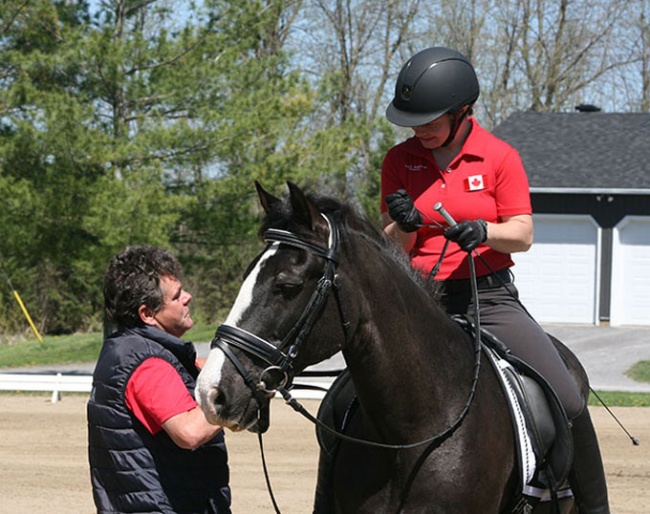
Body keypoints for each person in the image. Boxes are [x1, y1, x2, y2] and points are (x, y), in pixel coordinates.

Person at [381, 46, 609, 513]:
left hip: (488, 297)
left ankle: (594, 507)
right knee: (351, 394)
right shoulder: (399, 159)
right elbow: (390, 248)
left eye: (429, 119)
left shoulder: (499, 157)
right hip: (420, 299)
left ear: (463, 111)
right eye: (412, 121)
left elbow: (522, 235)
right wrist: (402, 224)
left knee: (566, 394)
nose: (418, 129)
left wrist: (485, 230)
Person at [87, 245, 231, 513]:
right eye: (177, 297)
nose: (188, 297)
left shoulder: (127, 349)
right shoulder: (147, 363)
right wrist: (243, 398)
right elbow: (189, 432)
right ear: (148, 314)